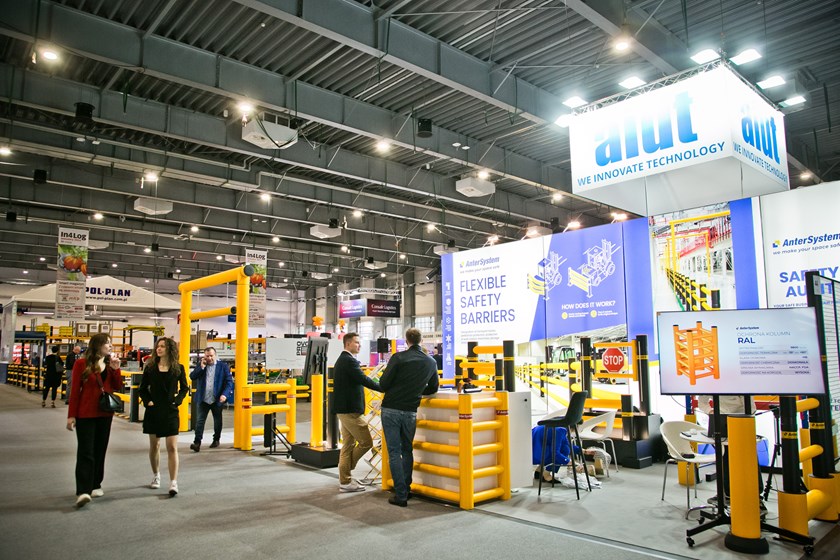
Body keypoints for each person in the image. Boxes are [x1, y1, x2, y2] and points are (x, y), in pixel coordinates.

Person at [379, 328, 438, 506]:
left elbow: (384, 383)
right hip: (411, 410)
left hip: (391, 408)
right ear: (421, 341)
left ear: (407, 341)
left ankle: (401, 494)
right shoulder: (431, 362)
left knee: (394, 452)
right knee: (407, 450)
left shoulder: (398, 358)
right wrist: (417, 391)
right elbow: (433, 387)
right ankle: (407, 488)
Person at [65, 334, 122, 508]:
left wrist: (116, 369)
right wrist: (71, 415)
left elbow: (117, 386)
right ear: (97, 345)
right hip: (85, 414)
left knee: (100, 450)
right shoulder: (81, 364)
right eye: (107, 343)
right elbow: (75, 390)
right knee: (86, 451)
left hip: (105, 414)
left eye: (110, 343)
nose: (110, 346)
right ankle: (83, 490)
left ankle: (96, 483)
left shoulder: (110, 364)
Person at [138, 338, 188, 497]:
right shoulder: (150, 368)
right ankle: (156, 475)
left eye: (162, 347)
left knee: (172, 447)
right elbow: (142, 389)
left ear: (169, 349)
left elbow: (184, 388)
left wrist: (177, 401)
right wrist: (148, 401)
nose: (159, 349)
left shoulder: (178, 368)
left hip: (170, 410)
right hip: (154, 410)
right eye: (157, 346)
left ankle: (174, 482)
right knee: (155, 446)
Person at [333, 333, 381, 493]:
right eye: (356, 342)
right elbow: (364, 380)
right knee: (366, 442)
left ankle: (345, 480)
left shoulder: (344, 360)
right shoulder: (348, 361)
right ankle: (346, 475)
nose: (359, 345)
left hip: (345, 410)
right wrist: (383, 387)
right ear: (348, 344)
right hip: (350, 411)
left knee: (348, 445)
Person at [189, 347, 233, 452]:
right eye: (207, 356)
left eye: (211, 356)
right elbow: (192, 376)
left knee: (217, 420)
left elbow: (229, 382)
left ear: (215, 355)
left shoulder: (223, 366)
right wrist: (201, 367)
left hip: (217, 399)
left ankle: (216, 439)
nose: (209, 358)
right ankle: (197, 442)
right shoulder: (201, 365)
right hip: (203, 398)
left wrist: (225, 394)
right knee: (200, 421)